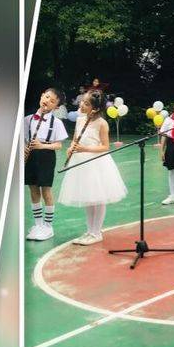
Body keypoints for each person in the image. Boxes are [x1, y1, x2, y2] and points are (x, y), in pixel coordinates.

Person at [59, 89, 128, 244]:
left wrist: (85, 149)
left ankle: (97, 233)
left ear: (95, 108)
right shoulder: (80, 120)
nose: (82, 105)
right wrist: (71, 148)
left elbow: (105, 146)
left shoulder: (102, 123)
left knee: (98, 197)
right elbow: (75, 139)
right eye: (82, 102)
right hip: (81, 163)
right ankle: (90, 231)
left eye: (86, 103)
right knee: (88, 197)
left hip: (97, 163)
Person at [24, 87, 69, 241]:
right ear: (42, 95)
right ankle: (38, 225)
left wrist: (42, 145)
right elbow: (24, 139)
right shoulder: (28, 119)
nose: (47, 101)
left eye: (52, 101)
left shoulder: (56, 122)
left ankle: (48, 226)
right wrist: (24, 149)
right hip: (31, 156)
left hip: (46, 156)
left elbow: (58, 145)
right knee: (33, 189)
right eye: (47, 97)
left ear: (56, 107)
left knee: (46, 191)